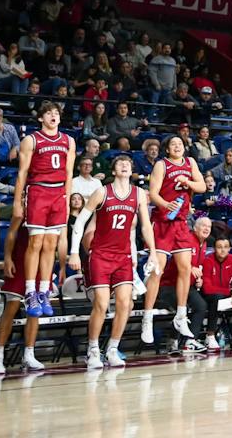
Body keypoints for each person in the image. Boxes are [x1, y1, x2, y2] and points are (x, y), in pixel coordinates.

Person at [70, 154, 158, 369]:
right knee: (100, 304)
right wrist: (73, 252)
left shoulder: (138, 194)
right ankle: (92, 350)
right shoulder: (102, 191)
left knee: (125, 304)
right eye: (120, 163)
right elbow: (80, 222)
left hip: (123, 256)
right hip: (100, 255)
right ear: (113, 170)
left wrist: (153, 252)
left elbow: (145, 227)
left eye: (128, 163)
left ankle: (111, 349)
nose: (125, 165)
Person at [11, 100, 74, 316]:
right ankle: (30, 291)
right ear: (41, 118)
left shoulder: (68, 140)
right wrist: (18, 202)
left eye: (56, 112)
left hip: (58, 193)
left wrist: (66, 200)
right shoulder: (31, 140)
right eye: (48, 113)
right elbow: (22, 173)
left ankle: (44, 291)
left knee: (51, 245)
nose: (53, 116)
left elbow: (68, 173)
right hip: (38, 190)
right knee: (35, 242)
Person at [141, 134, 205, 343]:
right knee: (157, 270)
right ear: (167, 149)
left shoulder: (190, 162)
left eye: (180, 143)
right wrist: (165, 205)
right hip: (163, 222)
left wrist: (188, 181)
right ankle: (147, 318)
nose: (177, 146)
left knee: (185, 268)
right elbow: (153, 193)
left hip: (180, 224)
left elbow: (202, 187)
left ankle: (180, 315)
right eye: (173, 144)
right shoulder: (162, 165)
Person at [0, 216, 46, 374]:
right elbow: (11, 233)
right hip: (19, 262)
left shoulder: (49, 212)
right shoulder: (21, 212)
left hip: (38, 267)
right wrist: (7, 258)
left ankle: (29, 354)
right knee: (10, 308)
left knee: (34, 311)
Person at [199, 235, 232, 350]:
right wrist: (230, 291)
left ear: (229, 248)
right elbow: (207, 288)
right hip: (210, 297)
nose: (223, 250)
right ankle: (210, 336)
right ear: (214, 248)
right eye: (219, 247)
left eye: (226, 247)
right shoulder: (208, 260)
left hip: (227, 296)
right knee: (217, 297)